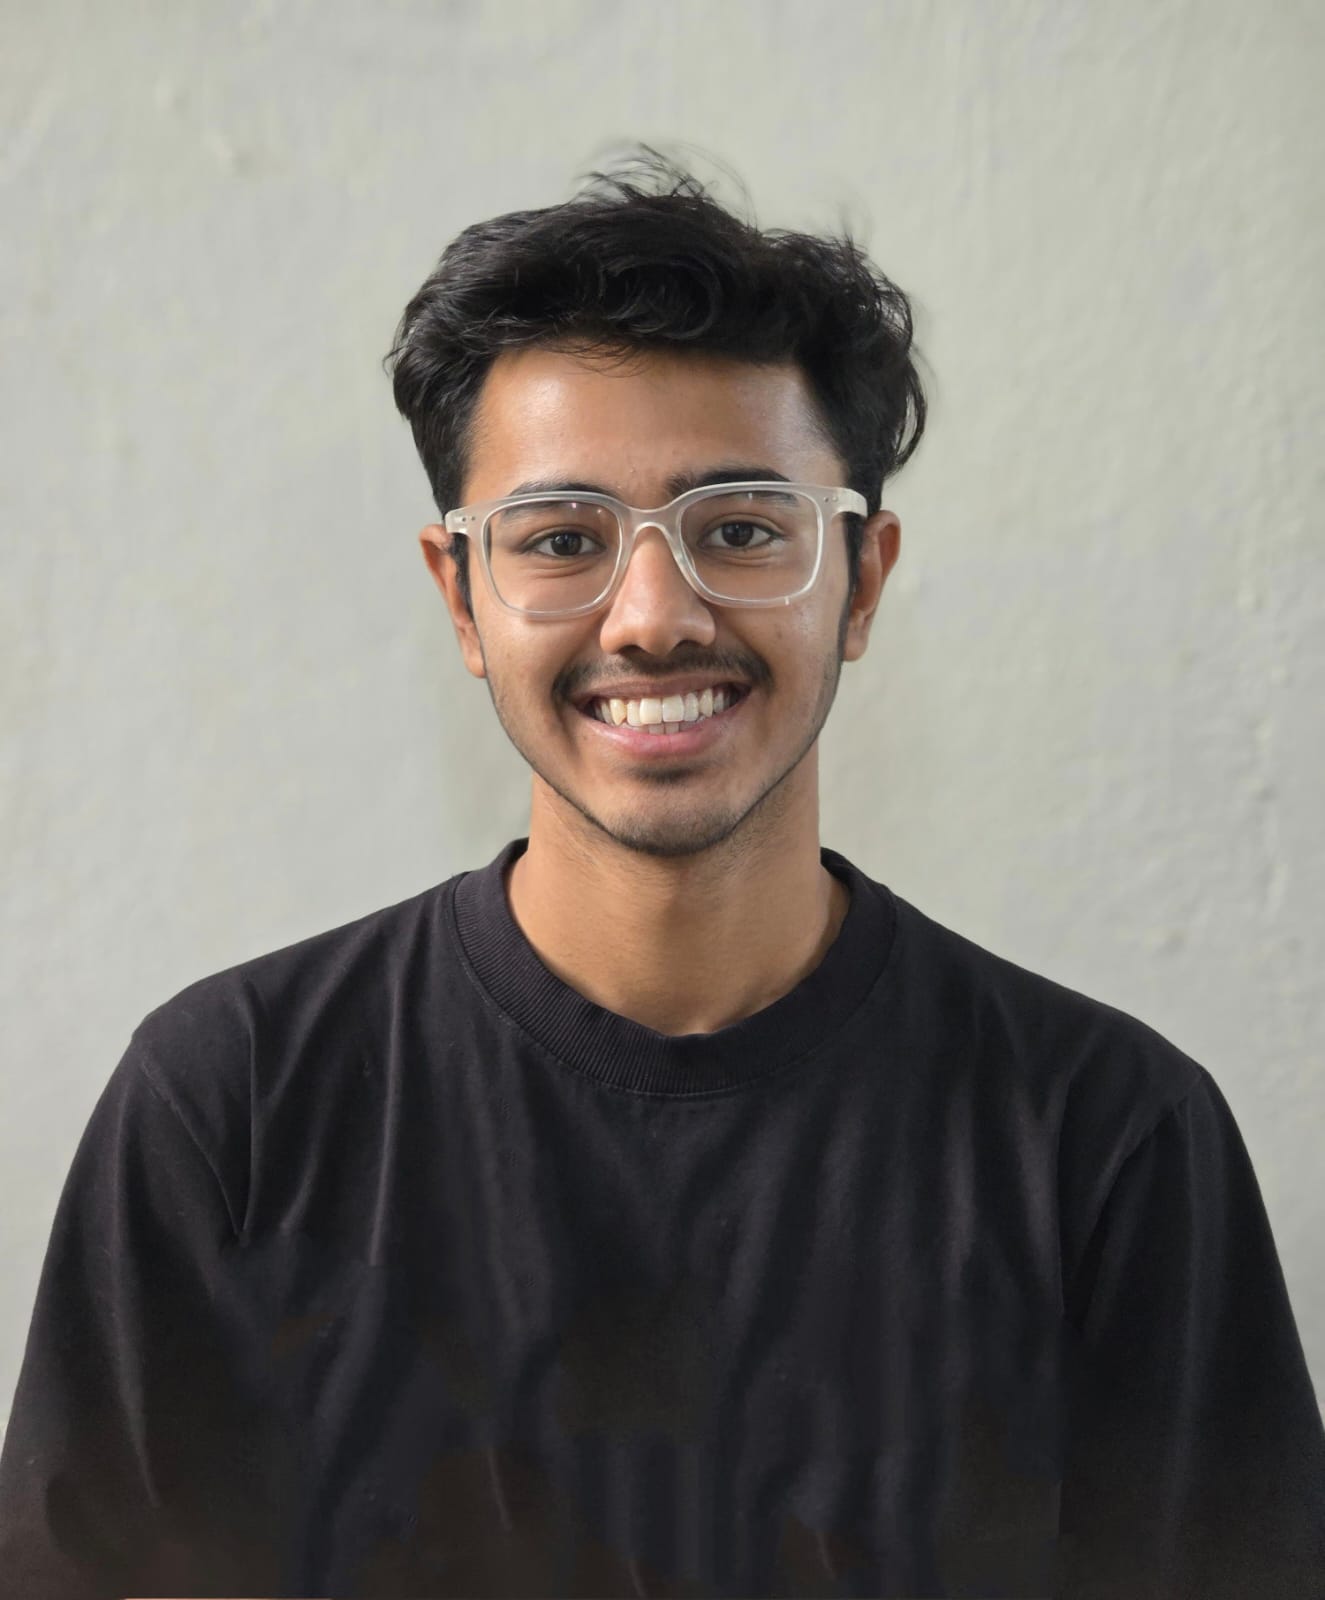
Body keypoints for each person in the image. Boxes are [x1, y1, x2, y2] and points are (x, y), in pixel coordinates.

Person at [1, 148, 1321, 1600]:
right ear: (461, 596)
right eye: (562, 539)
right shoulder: (235, 1110)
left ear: (862, 579)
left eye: (739, 531)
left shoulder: (1108, 1143)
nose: (651, 616)